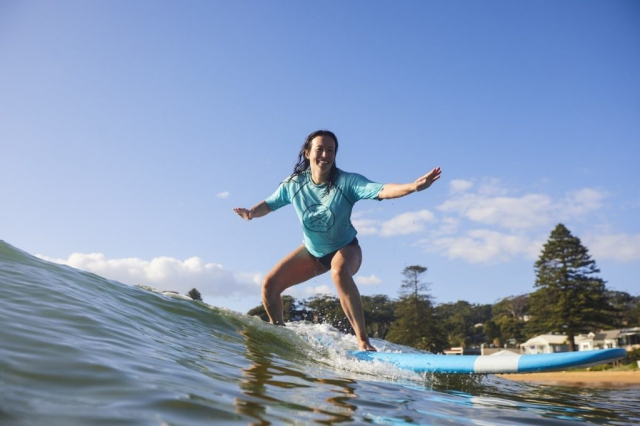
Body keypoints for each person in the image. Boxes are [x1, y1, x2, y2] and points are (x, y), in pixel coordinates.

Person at [233, 130, 441, 351]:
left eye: (330, 150)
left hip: (346, 248)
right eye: (319, 149)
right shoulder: (294, 184)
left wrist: (412, 187)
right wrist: (251, 213)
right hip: (313, 252)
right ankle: (280, 335)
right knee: (269, 285)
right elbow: (270, 203)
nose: (325, 155)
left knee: (339, 271)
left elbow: (381, 190)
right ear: (307, 153)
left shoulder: (347, 182)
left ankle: (363, 341)